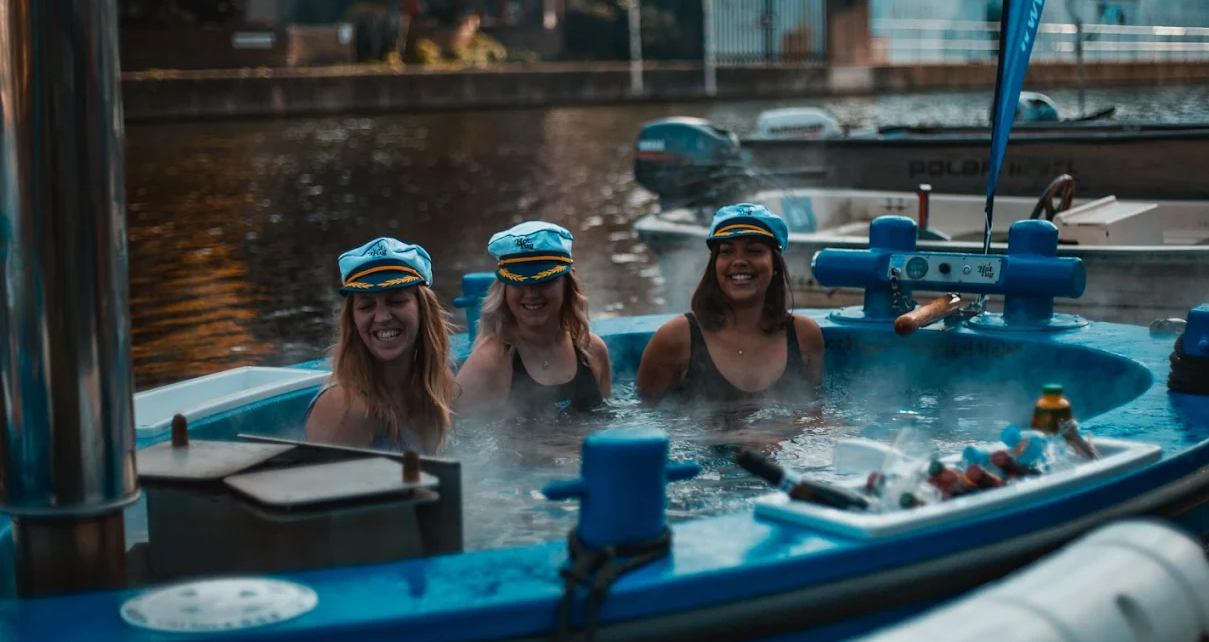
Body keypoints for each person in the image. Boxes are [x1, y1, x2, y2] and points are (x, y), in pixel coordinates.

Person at [635, 203, 824, 406]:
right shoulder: (675, 338)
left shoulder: (804, 335)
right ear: (714, 264)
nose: (739, 261)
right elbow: (644, 415)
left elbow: (812, 411)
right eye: (727, 251)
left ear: (775, 263)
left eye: (754, 250)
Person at [305, 237, 457, 453]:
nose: (383, 317)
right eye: (366, 306)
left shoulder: (434, 383)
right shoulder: (345, 406)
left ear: (424, 310)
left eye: (397, 301)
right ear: (352, 320)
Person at [455, 221, 612, 416]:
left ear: (567, 283)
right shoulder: (491, 362)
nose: (531, 294)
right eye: (518, 282)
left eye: (544, 281)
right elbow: (452, 430)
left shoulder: (593, 350)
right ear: (504, 289)